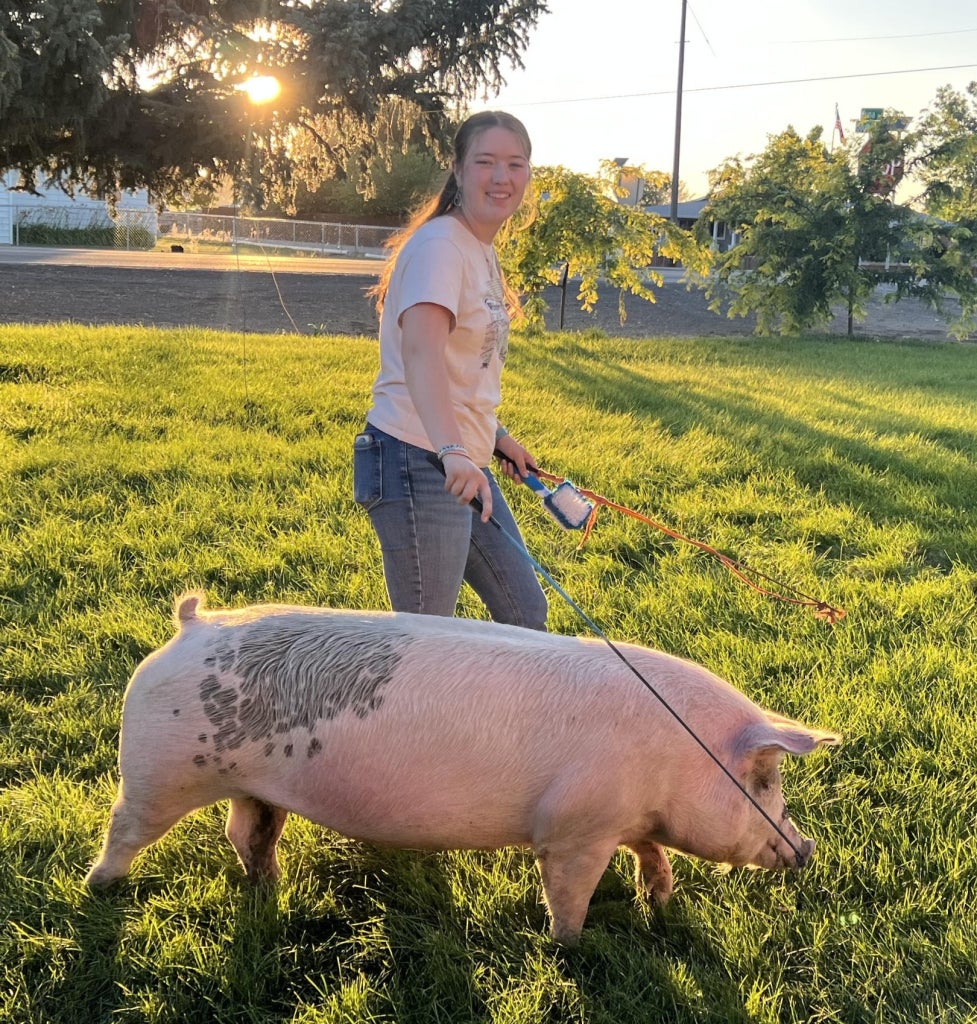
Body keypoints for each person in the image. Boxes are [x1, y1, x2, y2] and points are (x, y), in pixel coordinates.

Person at [353, 110, 548, 630]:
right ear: (459, 170)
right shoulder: (442, 246)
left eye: (515, 164)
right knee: (427, 636)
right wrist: (453, 450)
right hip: (417, 457)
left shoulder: (478, 247)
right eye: (485, 162)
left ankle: (502, 715)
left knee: (525, 611)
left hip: (459, 458)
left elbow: (462, 365)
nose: (501, 177)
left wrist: (496, 437)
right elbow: (420, 354)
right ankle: (398, 714)